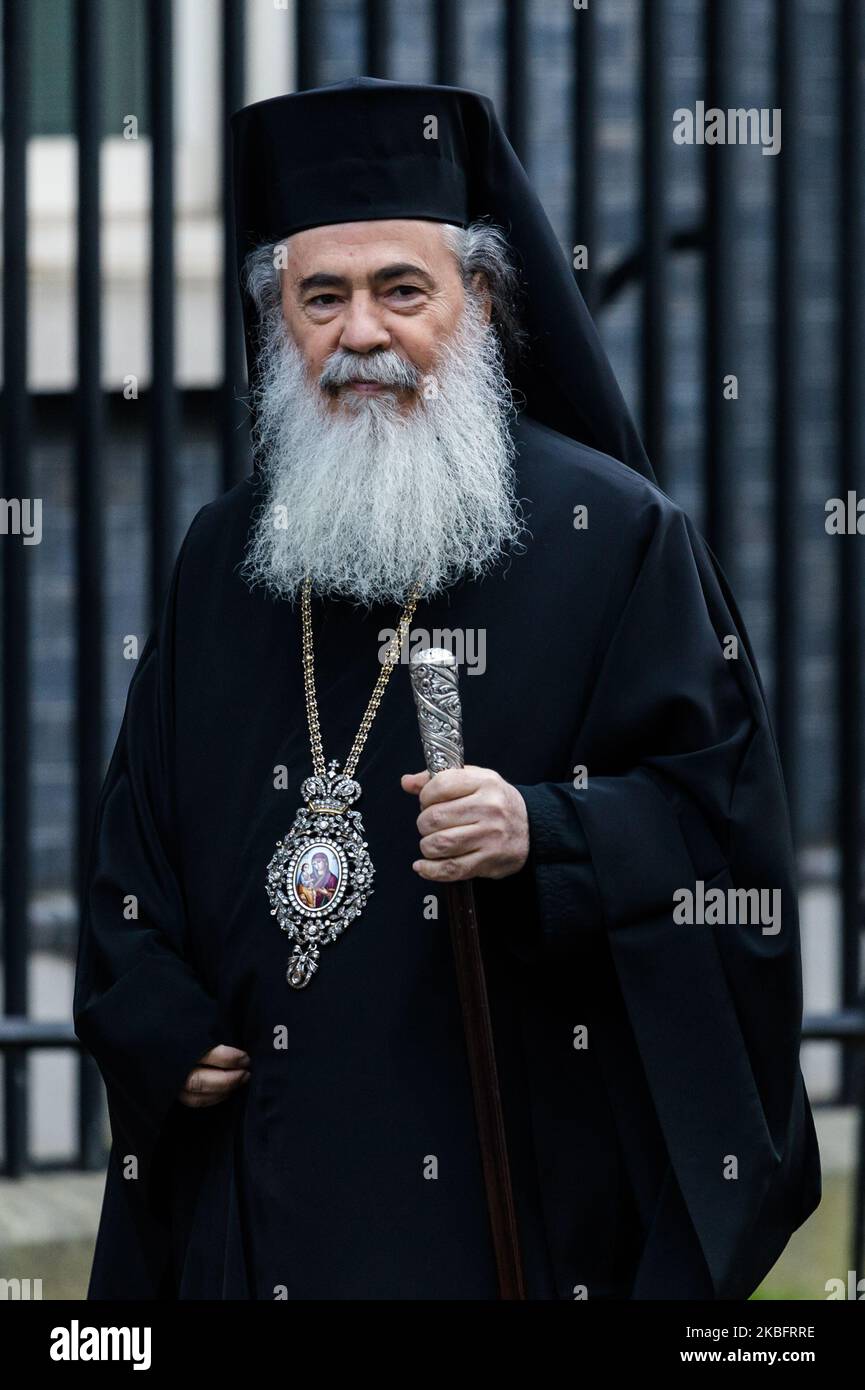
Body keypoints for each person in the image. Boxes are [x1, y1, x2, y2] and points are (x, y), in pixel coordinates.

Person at [73, 77, 820, 1301]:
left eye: (400, 290)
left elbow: (723, 838)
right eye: (322, 297)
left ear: (479, 299)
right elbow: (130, 854)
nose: (360, 332)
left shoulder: (614, 538)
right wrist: (151, 1008)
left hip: (504, 1201)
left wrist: (550, 830)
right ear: (279, 322)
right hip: (260, 1199)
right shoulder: (225, 557)